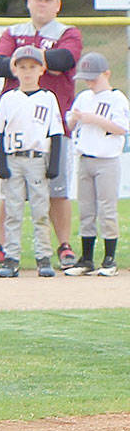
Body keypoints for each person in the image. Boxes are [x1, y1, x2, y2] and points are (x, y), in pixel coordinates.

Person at [0, 0, 81, 268]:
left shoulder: (68, 31)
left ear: (57, 5)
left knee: (57, 189)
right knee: (11, 192)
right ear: (29, 1)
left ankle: (63, 245)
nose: (41, 3)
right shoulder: (14, 31)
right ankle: (4, 246)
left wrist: (24, 57)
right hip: (16, 123)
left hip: (52, 123)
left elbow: (65, 58)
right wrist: (43, 60)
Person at [0, 46, 62, 278]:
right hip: (14, 158)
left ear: (42, 69)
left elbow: (55, 133)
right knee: (13, 211)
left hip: (37, 158)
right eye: (22, 67)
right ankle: (12, 258)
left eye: (32, 67)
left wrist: (53, 165)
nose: (27, 72)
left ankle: (43, 257)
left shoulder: (48, 98)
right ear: (15, 70)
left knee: (41, 210)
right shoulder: (9, 98)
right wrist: (1, 163)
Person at [65, 52, 128, 277]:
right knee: (86, 210)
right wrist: (74, 119)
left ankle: (109, 258)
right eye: (87, 78)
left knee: (107, 209)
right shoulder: (84, 97)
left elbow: (121, 128)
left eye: (94, 78)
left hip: (107, 160)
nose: (90, 82)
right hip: (85, 158)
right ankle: (87, 258)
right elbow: (71, 123)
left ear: (106, 74)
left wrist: (94, 119)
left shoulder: (116, 98)